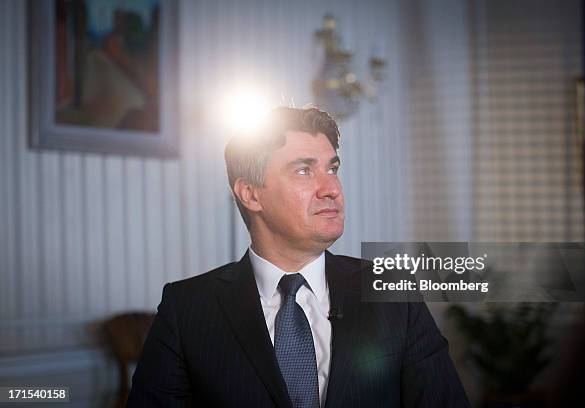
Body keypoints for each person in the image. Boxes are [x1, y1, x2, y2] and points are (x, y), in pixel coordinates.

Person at [127, 107, 470, 407]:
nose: (332, 189)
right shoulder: (186, 309)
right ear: (250, 194)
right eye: (304, 171)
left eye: (332, 169)